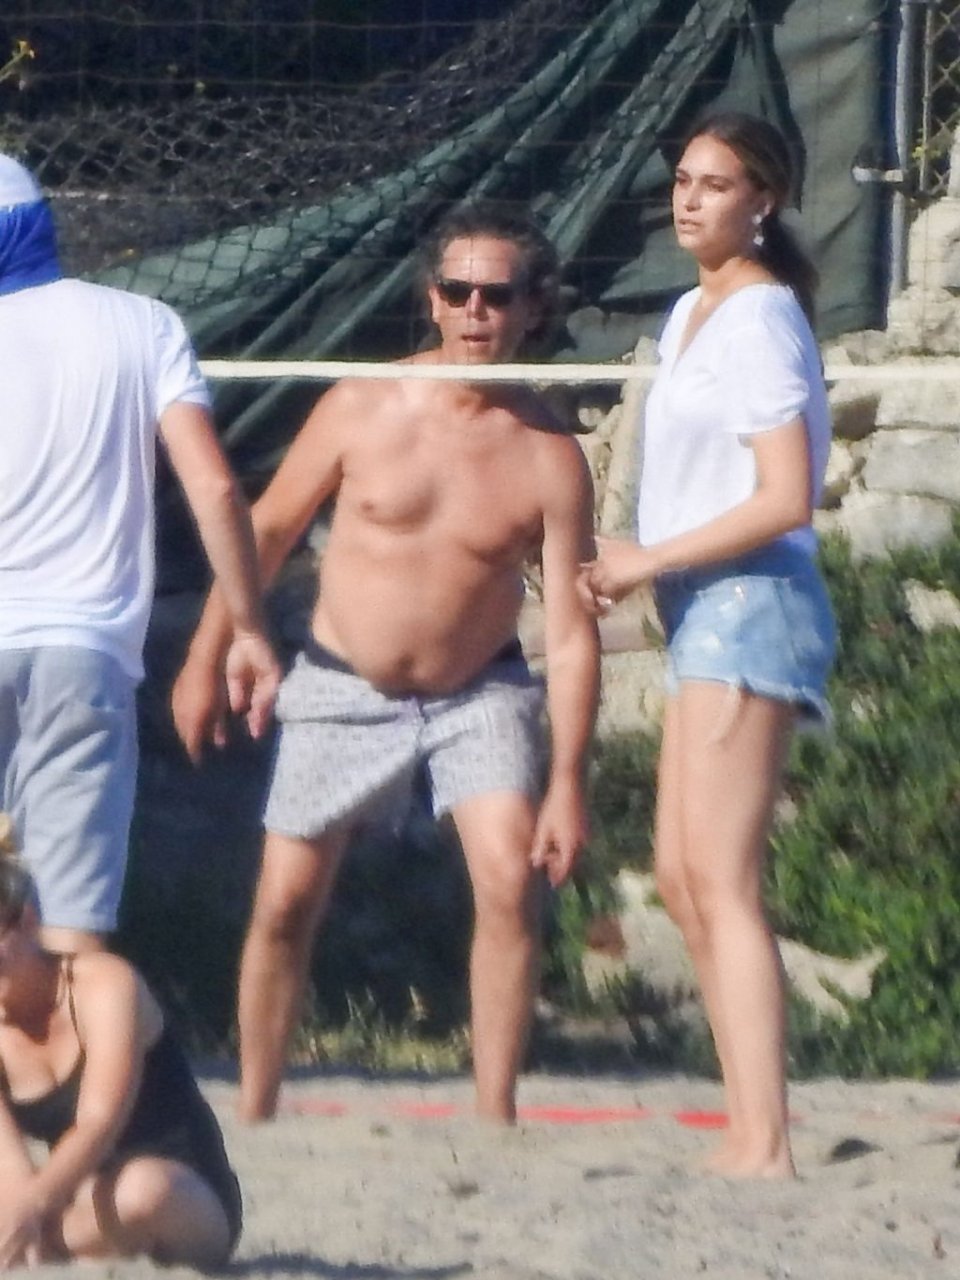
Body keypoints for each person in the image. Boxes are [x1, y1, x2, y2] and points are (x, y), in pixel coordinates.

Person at [172, 201, 600, 1125]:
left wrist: (567, 779)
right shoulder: (361, 406)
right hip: (340, 680)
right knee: (285, 899)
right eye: (459, 290)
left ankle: (495, 1115)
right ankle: (257, 1108)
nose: (476, 310)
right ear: (432, 299)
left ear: (534, 307)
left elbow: (570, 633)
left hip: (478, 690)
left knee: (509, 880)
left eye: (497, 295)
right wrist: (209, 652)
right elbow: (267, 531)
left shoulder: (550, 453)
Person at [581, 113, 836, 1178]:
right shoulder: (692, 308)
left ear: (762, 199)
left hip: (753, 597)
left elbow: (785, 496)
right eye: (683, 180)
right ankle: (747, 1124)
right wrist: (639, 560)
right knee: (681, 876)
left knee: (721, 880)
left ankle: (765, 1140)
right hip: (700, 598)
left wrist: (648, 557)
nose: (689, 199)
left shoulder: (764, 316)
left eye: (715, 183)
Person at [0, 154, 280, 956]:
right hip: (81, 651)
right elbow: (215, 488)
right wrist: (248, 628)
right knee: (69, 936)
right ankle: (78, 1038)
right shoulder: (141, 322)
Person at [0, 813, 242, 1268]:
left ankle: (47, 1244)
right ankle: (52, 1243)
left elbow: (100, 1121)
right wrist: (21, 1201)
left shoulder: (105, 984)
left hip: (182, 1194)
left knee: (142, 1189)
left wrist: (31, 1206)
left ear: (28, 924)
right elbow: (11, 1166)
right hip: (78, 1199)